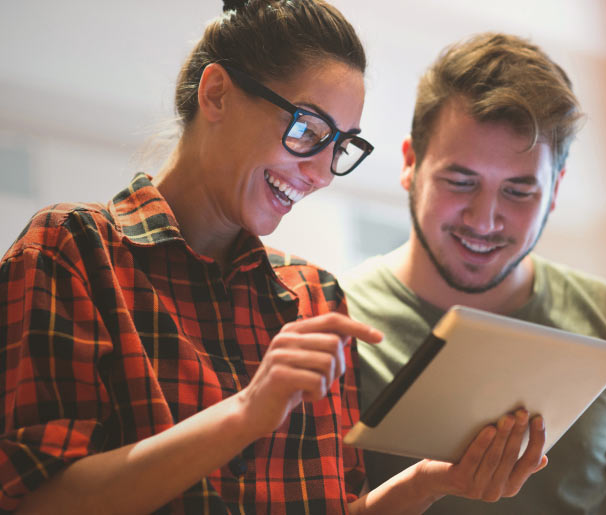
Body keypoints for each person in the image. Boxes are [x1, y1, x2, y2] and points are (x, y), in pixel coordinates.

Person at [0, 4, 547, 513]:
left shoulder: (314, 297)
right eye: (308, 130)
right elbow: (34, 499)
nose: (322, 172)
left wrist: (430, 481)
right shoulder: (72, 252)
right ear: (215, 94)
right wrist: (243, 413)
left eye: (341, 146)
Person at [342, 33, 606, 514]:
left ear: (555, 190)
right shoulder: (335, 319)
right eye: (460, 181)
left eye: (518, 191)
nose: (484, 220)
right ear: (410, 164)